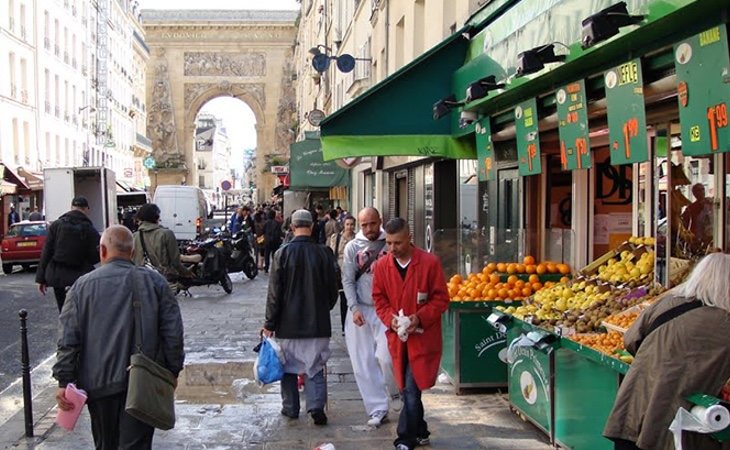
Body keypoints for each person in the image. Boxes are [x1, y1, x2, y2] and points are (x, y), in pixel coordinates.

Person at [53, 225, 184, 450]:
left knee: (105, 444)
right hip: (143, 382)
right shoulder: (156, 282)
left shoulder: (81, 287)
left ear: (102, 250)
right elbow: (173, 333)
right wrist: (172, 371)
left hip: (98, 383)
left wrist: (65, 380)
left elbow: (68, 339)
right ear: (132, 253)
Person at [604, 253, 730, 450]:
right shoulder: (725, 323)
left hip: (634, 407)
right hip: (672, 420)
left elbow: (630, 339)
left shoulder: (667, 302)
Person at [372, 217, 449, 450]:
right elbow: (379, 298)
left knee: (410, 389)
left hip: (423, 338)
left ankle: (405, 437)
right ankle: (422, 429)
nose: (392, 248)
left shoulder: (429, 263)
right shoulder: (382, 266)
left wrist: (420, 317)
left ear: (409, 239)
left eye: (397, 243)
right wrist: (390, 319)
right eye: (388, 243)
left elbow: (441, 299)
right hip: (397, 339)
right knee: (407, 388)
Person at [262, 209, 339, 426]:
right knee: (314, 366)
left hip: (288, 324)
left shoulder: (282, 254)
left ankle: (290, 407)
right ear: (312, 226)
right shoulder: (325, 253)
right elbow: (333, 289)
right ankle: (315, 407)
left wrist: (269, 323)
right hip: (318, 323)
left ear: (292, 227)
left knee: (287, 367)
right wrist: (323, 307)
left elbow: (274, 293)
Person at [342, 207, 399, 427]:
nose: (368, 229)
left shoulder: (390, 243)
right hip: (361, 309)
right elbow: (347, 280)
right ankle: (377, 407)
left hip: (386, 310)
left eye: (372, 224)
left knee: (387, 357)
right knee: (362, 362)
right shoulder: (352, 247)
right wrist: (353, 308)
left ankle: (395, 393)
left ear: (380, 222)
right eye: (364, 225)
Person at [36, 196, 101, 312]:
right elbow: (96, 255)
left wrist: (41, 279)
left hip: (58, 275)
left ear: (71, 207)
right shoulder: (90, 229)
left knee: (63, 310)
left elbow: (46, 252)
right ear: (86, 209)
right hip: (81, 276)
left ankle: (65, 328)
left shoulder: (56, 225)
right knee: (82, 311)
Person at [131, 203, 192, 282]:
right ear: (157, 217)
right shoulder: (167, 234)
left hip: (140, 280)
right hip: (162, 280)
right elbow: (175, 262)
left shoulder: (134, 236)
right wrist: (186, 273)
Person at [328, 215, 356, 332]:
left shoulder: (357, 239)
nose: (349, 227)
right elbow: (331, 253)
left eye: (351, 224)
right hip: (339, 272)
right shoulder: (336, 237)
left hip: (354, 272)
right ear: (343, 225)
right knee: (343, 298)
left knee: (351, 298)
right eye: (347, 224)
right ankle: (344, 325)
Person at [681, 183, 714, 253]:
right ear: (694, 193)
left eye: (703, 189)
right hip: (698, 238)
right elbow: (685, 222)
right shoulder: (691, 208)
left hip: (711, 235)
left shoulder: (710, 203)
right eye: (699, 190)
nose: (702, 192)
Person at [263, 209, 284, 273]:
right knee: (274, 255)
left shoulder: (266, 223)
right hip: (275, 241)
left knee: (267, 255)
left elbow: (263, 231)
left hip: (267, 241)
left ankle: (266, 267)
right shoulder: (277, 223)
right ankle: (275, 267)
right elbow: (280, 232)